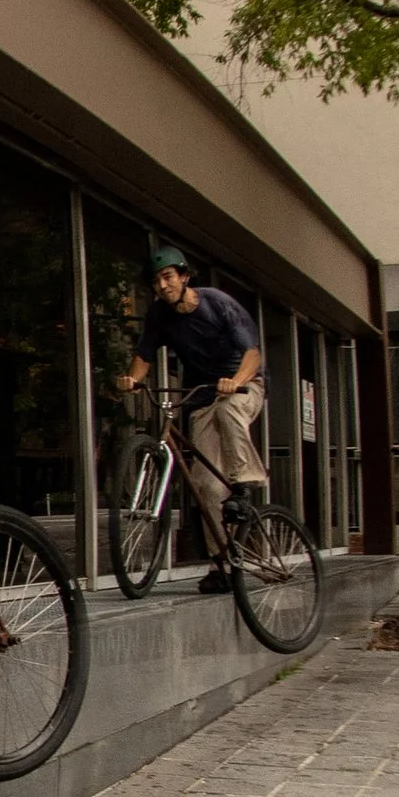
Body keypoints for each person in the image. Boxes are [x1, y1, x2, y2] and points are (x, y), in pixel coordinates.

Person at [125, 249, 266, 594]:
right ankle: (223, 563)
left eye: (168, 276)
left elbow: (253, 353)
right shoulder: (159, 315)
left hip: (244, 387)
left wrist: (236, 379)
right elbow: (144, 354)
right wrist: (132, 379)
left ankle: (245, 485)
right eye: (157, 281)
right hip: (202, 397)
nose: (162, 285)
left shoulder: (217, 303)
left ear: (185, 276)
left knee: (229, 409)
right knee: (205, 486)